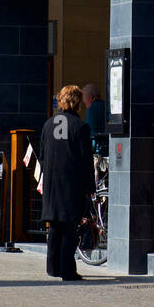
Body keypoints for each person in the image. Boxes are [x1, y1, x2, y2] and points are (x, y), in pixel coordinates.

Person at [39, 85, 95, 281]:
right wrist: (90, 189)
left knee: (54, 227)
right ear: (77, 102)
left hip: (52, 184)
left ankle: (53, 267)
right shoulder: (80, 127)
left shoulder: (48, 125)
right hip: (71, 185)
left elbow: (43, 157)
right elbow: (86, 161)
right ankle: (67, 270)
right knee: (70, 228)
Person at [82, 82, 107, 157]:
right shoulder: (106, 106)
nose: (84, 102)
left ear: (90, 97)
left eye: (84, 100)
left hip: (98, 151)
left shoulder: (92, 109)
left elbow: (90, 133)